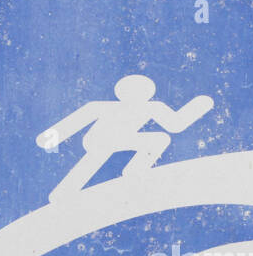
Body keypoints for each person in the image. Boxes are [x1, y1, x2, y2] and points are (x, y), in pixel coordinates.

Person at [38, 75, 214, 203]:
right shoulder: (102, 106)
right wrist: (50, 138)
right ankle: (63, 193)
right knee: (95, 158)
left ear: (148, 93)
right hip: (98, 140)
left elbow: (175, 124)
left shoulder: (152, 107)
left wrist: (199, 106)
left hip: (124, 138)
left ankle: (134, 171)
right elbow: (75, 122)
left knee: (158, 140)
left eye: (141, 93)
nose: (136, 97)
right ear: (121, 93)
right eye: (132, 93)